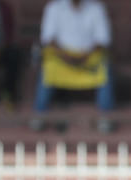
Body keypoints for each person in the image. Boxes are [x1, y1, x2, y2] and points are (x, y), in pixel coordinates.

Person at [31, 0, 114, 133]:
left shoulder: (96, 8)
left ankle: (105, 117)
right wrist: (66, 56)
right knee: (48, 67)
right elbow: (48, 39)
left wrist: (84, 56)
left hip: (88, 57)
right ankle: (39, 115)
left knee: (103, 68)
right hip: (61, 58)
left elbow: (102, 40)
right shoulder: (54, 8)